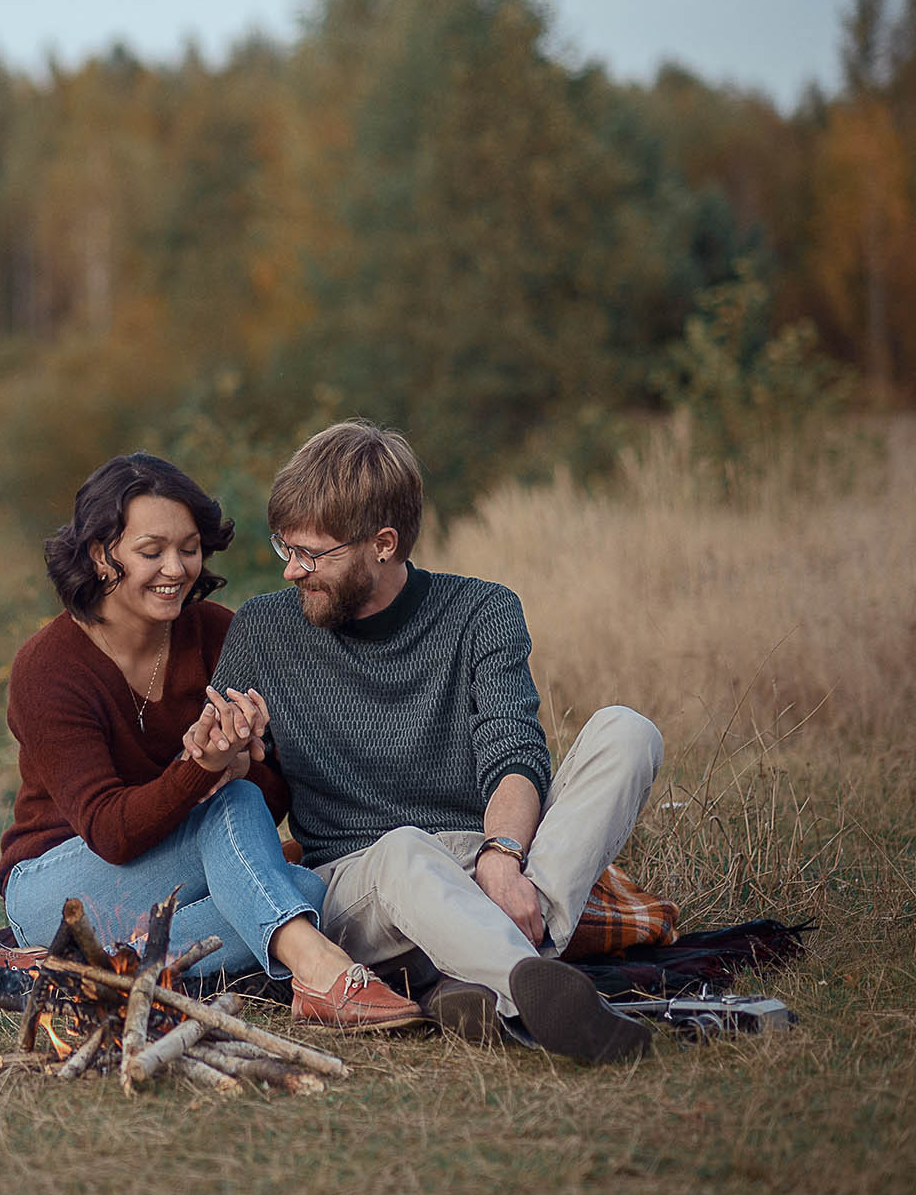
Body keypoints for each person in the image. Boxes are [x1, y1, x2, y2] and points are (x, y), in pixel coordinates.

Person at [208, 419, 663, 1064]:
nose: (291, 570)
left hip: (485, 862)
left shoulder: (482, 612)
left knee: (627, 730)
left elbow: (514, 753)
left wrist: (502, 855)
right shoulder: (263, 630)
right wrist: (222, 757)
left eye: (312, 553)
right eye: (286, 546)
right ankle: (530, 986)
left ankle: (470, 973)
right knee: (403, 851)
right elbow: (226, 794)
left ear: (383, 543)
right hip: (362, 881)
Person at [0, 452, 424, 1030]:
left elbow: (270, 800)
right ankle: (318, 970)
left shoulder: (221, 634)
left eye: (189, 548)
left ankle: (77, 973)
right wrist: (203, 770)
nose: (176, 568)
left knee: (300, 887)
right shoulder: (49, 668)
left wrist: (246, 765)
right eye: (152, 552)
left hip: (174, 880)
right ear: (102, 555)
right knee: (267, 867)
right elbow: (111, 833)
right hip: (60, 885)